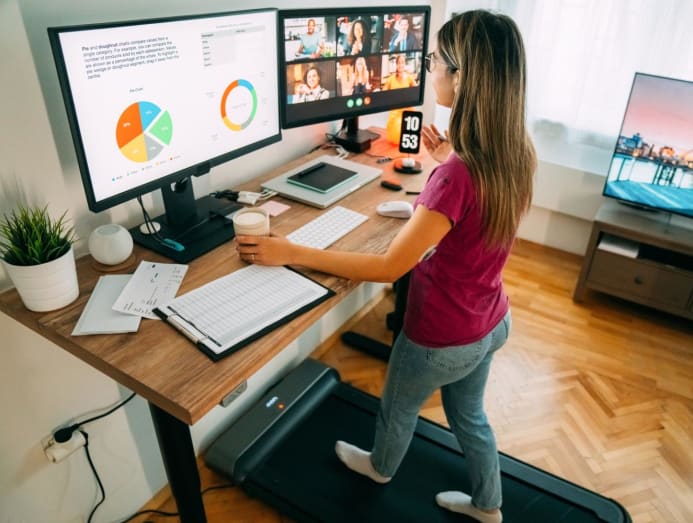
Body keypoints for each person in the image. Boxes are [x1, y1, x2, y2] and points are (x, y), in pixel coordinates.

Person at [237, 10, 536, 523]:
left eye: (436, 60)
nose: (430, 68)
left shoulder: (457, 177)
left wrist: (292, 251)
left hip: (440, 335)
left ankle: (380, 467)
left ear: (462, 78)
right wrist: (446, 163)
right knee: (471, 418)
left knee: (397, 409)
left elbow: (389, 267)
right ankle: (490, 505)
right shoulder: (514, 152)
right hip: (491, 321)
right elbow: (471, 218)